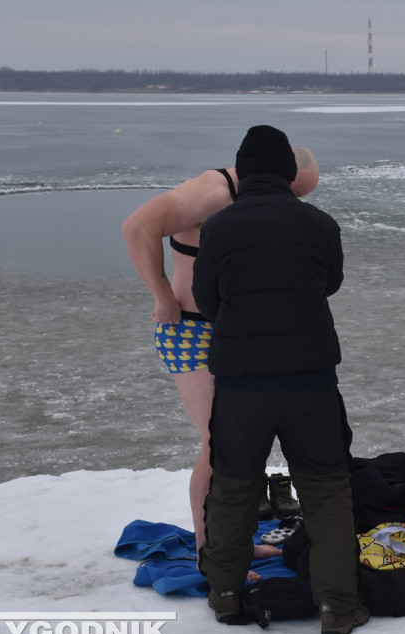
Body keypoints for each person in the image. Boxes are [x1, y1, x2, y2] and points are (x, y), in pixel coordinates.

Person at [192, 125, 366, 634]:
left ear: (241, 173)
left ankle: (224, 595)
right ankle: (338, 605)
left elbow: (207, 301)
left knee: (232, 487)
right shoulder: (318, 223)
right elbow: (329, 283)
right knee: (327, 490)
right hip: (310, 381)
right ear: (289, 175)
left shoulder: (218, 227)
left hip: (242, 384)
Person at [122, 142, 319, 560]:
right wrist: (161, 296)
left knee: (242, 441)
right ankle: (212, 548)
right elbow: (137, 227)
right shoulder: (212, 192)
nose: (291, 203)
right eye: (295, 192)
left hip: (233, 334)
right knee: (219, 444)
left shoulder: (251, 203)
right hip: (190, 332)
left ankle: (232, 540)